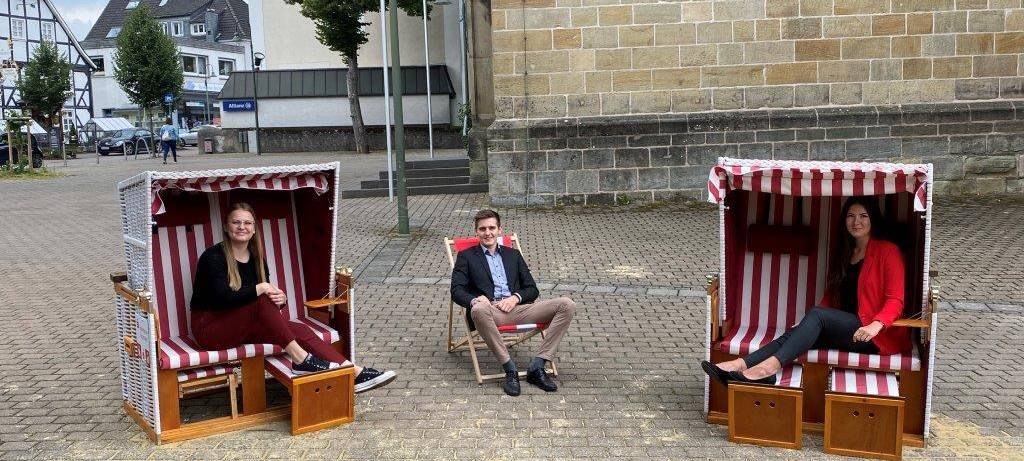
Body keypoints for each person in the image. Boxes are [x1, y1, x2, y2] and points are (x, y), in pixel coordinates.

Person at [701, 196, 912, 385]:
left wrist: (875, 325)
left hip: (872, 335)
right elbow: (833, 295)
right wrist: (808, 323)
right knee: (796, 332)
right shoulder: (846, 252)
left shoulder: (888, 251)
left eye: (863, 215)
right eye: (851, 216)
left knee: (816, 316)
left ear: (873, 218)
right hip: (848, 327)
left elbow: (896, 300)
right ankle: (739, 364)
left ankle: (767, 369)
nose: (856, 221)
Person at [191, 202, 396, 393]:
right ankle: (301, 360)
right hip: (210, 330)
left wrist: (281, 299)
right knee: (262, 298)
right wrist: (261, 288)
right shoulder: (213, 257)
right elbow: (221, 300)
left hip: (241, 327)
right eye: (236, 222)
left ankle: (352, 372)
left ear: (254, 229)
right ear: (226, 227)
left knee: (297, 328)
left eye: (247, 223)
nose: (241, 227)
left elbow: (264, 305)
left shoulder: (257, 259)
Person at [451, 209, 578, 396]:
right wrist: (475, 299)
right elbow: (456, 290)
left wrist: (515, 298)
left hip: (518, 309)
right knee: (477, 309)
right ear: (476, 231)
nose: (488, 233)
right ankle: (510, 369)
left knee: (567, 304)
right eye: (482, 229)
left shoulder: (513, 255)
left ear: (499, 230)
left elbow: (532, 289)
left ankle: (538, 366)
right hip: (489, 312)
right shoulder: (467, 257)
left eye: (492, 228)